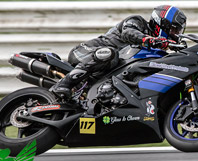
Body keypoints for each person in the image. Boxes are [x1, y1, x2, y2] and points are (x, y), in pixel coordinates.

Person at [51, 5, 187, 99]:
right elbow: (129, 33)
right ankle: (63, 84)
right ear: (162, 24)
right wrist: (152, 40)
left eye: (178, 32)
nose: (175, 35)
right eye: (174, 30)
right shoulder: (137, 21)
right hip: (85, 52)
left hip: (107, 72)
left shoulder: (155, 49)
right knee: (110, 54)